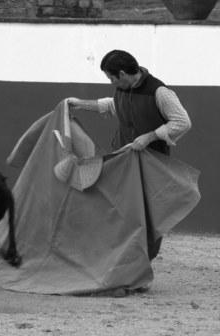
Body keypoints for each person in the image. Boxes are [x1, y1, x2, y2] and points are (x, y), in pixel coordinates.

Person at [67, 49, 191, 260]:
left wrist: (150, 137)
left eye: (111, 77)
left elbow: (182, 122)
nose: (111, 82)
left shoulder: (160, 92)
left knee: (147, 217)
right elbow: (114, 105)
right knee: (121, 213)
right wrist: (81, 104)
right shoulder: (124, 89)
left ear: (122, 74)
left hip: (152, 163)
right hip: (123, 160)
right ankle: (121, 263)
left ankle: (139, 265)